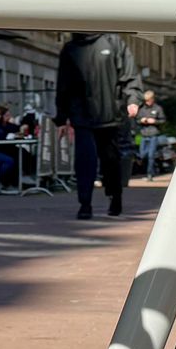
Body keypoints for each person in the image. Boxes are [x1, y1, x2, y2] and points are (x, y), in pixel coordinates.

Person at [56, 30, 128, 218]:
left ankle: (115, 196)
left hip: (109, 114)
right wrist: (61, 118)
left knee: (110, 160)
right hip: (82, 116)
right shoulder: (70, 49)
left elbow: (128, 73)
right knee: (85, 161)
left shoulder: (112, 42)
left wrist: (133, 98)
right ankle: (85, 204)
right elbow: (63, 84)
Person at [135, 89, 165, 176]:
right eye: (146, 100)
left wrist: (154, 121)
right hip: (144, 135)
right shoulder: (142, 109)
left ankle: (150, 174)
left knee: (151, 156)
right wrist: (141, 120)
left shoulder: (158, 108)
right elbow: (137, 120)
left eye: (149, 100)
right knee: (142, 155)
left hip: (153, 135)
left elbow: (163, 120)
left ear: (152, 99)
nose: (147, 102)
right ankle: (151, 169)